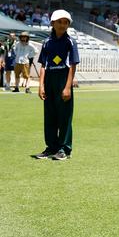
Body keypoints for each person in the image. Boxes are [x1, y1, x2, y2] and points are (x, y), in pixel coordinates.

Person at [35, 10, 80, 160]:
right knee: (50, 116)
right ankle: (51, 147)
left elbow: (72, 65)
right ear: (53, 23)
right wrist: (41, 85)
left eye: (65, 22)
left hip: (63, 79)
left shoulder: (70, 42)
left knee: (64, 117)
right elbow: (43, 65)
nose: (62, 25)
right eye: (59, 22)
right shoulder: (47, 42)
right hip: (49, 80)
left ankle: (64, 149)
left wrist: (67, 87)